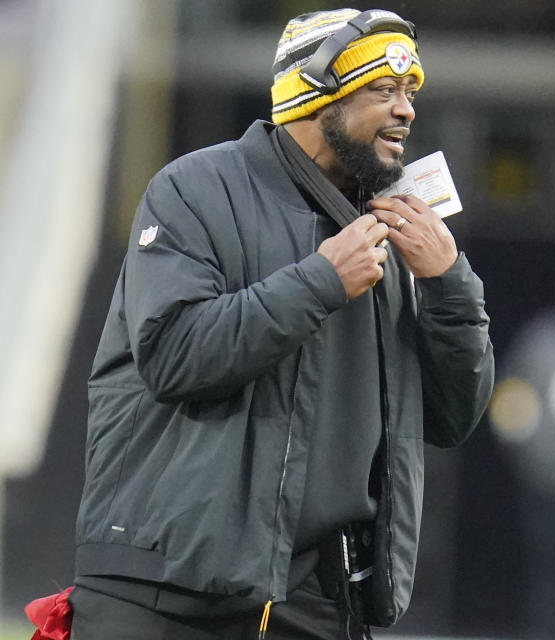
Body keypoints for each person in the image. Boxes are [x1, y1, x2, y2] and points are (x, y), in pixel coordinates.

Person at [65, 8, 495, 639]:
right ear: (313, 92)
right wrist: (321, 281)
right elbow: (174, 357)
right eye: (381, 90)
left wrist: (449, 283)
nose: (405, 110)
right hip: (166, 592)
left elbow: (453, 417)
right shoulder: (196, 188)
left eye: (409, 93)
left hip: (318, 600)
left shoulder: (398, 227)